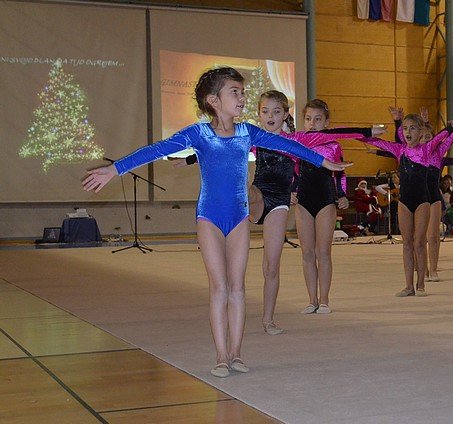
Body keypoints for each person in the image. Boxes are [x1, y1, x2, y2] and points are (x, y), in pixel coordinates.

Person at [81, 68, 350, 377]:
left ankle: (236, 353)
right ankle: (221, 354)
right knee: (219, 288)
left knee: (237, 288)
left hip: (238, 218)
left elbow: (288, 146)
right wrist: (115, 169)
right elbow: (157, 149)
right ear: (213, 100)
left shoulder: (248, 132)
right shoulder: (199, 134)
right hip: (209, 217)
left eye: (242, 92)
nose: (242, 97)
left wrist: (322, 161)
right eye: (235, 92)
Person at [175, 90, 364, 333]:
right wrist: (191, 159)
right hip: (258, 195)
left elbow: (335, 135)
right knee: (243, 187)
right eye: (265, 112)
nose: (270, 116)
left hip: (279, 203)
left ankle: (268, 320)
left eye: (276, 112)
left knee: (271, 266)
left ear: (285, 114)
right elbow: (221, 146)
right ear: (259, 114)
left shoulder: (295, 139)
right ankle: (217, 228)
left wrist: (368, 132)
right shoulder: (253, 137)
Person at [357, 107, 453, 293]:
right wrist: (360, 134)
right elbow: (378, 143)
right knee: (407, 244)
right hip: (404, 202)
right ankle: (409, 286)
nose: (408, 132)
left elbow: (443, 137)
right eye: (405, 128)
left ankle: (421, 284)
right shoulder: (399, 150)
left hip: (423, 201)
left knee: (419, 242)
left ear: (421, 132)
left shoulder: (427, 150)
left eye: (413, 128)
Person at [297, 98, 385, 314]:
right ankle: (312, 299)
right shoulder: (298, 142)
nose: (312, 123)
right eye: (308, 119)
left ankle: (324, 299)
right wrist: (291, 190)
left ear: (327, 123)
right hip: (303, 200)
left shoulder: (333, 145)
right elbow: (294, 171)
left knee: (323, 251)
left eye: (318, 119)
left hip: (325, 199)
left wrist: (342, 194)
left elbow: (340, 173)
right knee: (307, 252)